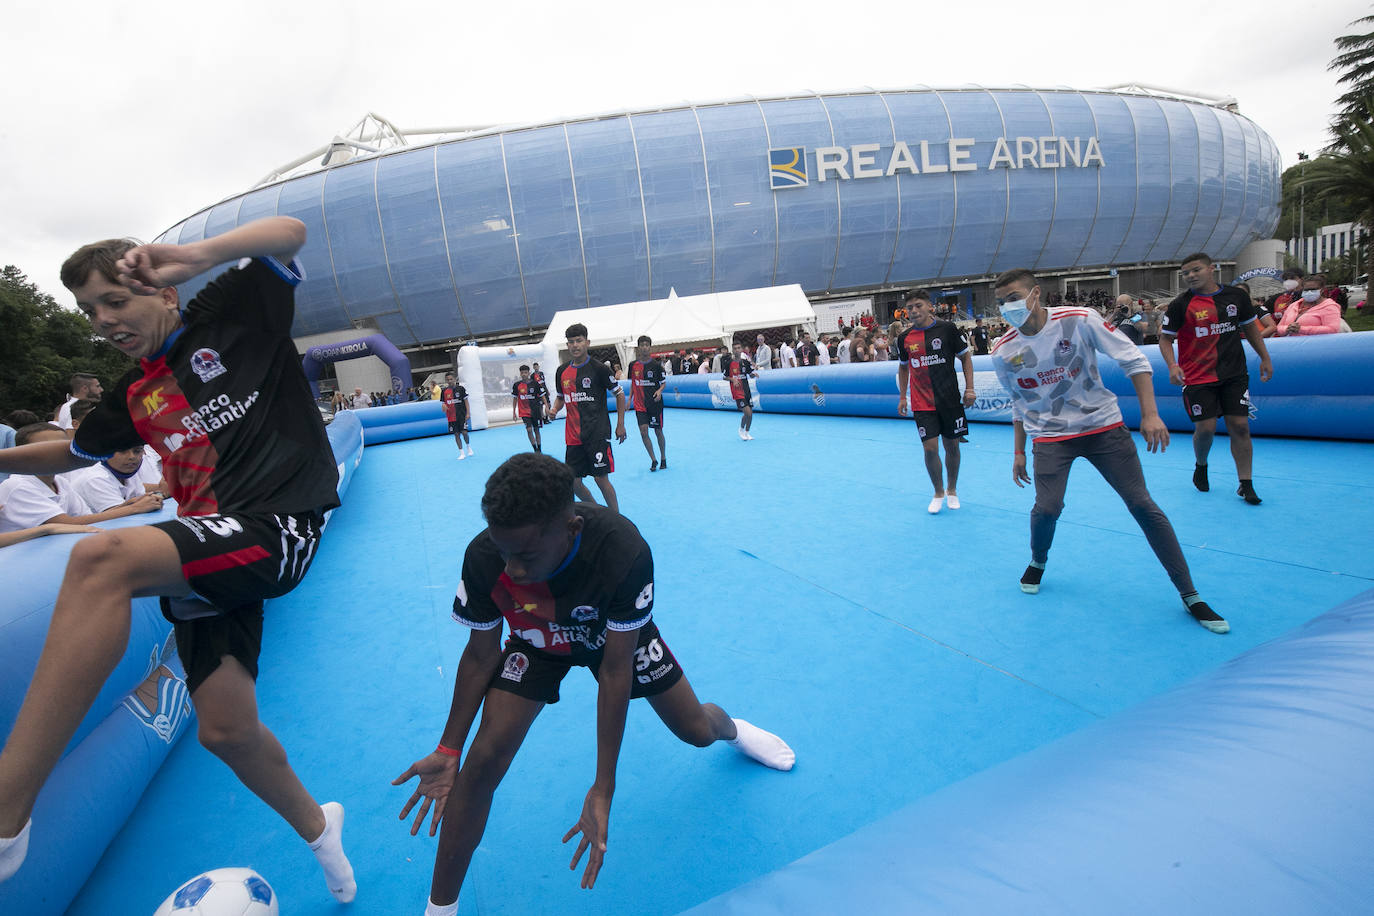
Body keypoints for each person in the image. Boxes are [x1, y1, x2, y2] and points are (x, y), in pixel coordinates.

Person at [0, 217, 356, 901]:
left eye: (115, 300)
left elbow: (291, 230)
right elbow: (72, 452)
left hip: (278, 525)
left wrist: (194, 256)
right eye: (89, 311)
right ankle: (321, 832)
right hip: (210, 545)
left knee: (101, 560)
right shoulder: (136, 391)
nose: (103, 320)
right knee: (225, 730)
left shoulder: (235, 317)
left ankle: (9, 806)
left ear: (163, 293)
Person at [393, 454, 794, 915]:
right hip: (537, 639)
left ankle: (734, 730)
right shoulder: (486, 556)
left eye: (524, 556)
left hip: (612, 640)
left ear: (571, 527)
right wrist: (448, 750)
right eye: (504, 552)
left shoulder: (623, 550)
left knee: (696, 731)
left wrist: (603, 786)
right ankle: (440, 909)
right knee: (480, 763)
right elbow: (481, 654)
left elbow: (614, 671)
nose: (512, 570)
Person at [991, 268, 1229, 635]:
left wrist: (1150, 414)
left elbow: (1135, 360)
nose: (1009, 306)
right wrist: (1018, 451)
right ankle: (1038, 560)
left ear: (1036, 294)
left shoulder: (1080, 319)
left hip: (1103, 427)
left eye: (1014, 297)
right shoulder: (1003, 349)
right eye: (1002, 301)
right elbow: (1018, 403)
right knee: (1047, 508)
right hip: (1051, 436)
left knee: (1142, 504)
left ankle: (1190, 594)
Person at [1159, 252, 1274, 505]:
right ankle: (1201, 464)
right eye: (1186, 273)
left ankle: (1246, 483)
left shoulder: (1236, 297)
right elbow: (1165, 338)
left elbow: (1251, 328)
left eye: (1196, 270)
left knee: (1240, 427)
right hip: (1198, 376)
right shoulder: (1181, 304)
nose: (1191, 275)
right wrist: (1172, 365)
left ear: (1212, 269)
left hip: (1234, 374)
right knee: (1206, 429)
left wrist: (1264, 357)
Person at [895, 291, 975, 514]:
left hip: (949, 401)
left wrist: (970, 388)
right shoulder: (904, 338)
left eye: (918, 305)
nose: (913, 311)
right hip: (922, 404)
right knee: (930, 449)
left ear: (930, 306)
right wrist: (903, 396)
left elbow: (966, 357)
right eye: (909, 307)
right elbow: (903, 367)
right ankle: (938, 492)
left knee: (952, 446)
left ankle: (952, 490)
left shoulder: (947, 330)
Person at [0, 424, 164, 533]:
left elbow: (82, 517)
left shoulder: (60, 482)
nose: (53, 455)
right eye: (43, 449)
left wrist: (129, 505)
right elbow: (65, 523)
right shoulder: (18, 485)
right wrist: (133, 508)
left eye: (61, 448)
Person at [549, 323, 627, 515]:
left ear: (587, 342)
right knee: (574, 483)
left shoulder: (599, 369)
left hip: (597, 433)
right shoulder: (562, 371)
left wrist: (620, 425)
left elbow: (619, 394)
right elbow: (561, 397)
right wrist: (554, 409)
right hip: (573, 437)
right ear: (567, 345)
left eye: (579, 341)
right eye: (571, 342)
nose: (575, 345)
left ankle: (616, 519)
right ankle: (598, 513)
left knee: (601, 479)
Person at [64, 443, 151, 511]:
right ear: (106, 452)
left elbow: (145, 501)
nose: (132, 457)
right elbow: (122, 516)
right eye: (122, 451)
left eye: (137, 451)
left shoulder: (127, 471)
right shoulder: (96, 478)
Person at [628, 336, 667, 471]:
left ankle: (663, 458)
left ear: (650, 347)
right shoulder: (633, 365)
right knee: (643, 432)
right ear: (638, 347)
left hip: (655, 404)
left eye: (646, 345)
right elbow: (633, 383)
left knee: (658, 431)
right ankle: (653, 460)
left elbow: (663, 383)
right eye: (642, 345)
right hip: (639, 405)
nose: (644, 347)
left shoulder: (656, 366)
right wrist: (629, 400)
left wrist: (660, 391)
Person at [1275, 274, 1342, 336]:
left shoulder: (1330, 307)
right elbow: (1279, 328)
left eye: (1313, 289)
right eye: (1306, 290)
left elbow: (1332, 329)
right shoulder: (1293, 305)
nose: (1309, 292)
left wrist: (1301, 329)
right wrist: (1287, 329)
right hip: (1291, 345)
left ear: (1322, 290)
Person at [723, 341, 758, 440]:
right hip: (737, 391)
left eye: (739, 348)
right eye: (735, 348)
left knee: (750, 414)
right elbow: (724, 377)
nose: (737, 350)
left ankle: (747, 432)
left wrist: (753, 374)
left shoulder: (745, 362)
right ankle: (741, 429)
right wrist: (733, 379)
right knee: (748, 413)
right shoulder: (729, 363)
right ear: (732, 350)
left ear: (741, 349)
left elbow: (750, 373)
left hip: (746, 390)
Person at [442, 372, 473, 459]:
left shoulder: (461, 389)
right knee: (456, 434)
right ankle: (462, 453)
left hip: (461, 415)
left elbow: (466, 401)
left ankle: (468, 447)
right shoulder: (444, 391)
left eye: (451, 379)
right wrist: (443, 406)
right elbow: (443, 404)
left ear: (455, 379)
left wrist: (468, 413)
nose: (449, 381)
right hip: (451, 417)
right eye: (447, 380)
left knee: (464, 432)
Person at [511, 365, 542, 454]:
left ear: (529, 373)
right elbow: (515, 398)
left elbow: (541, 396)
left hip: (535, 410)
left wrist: (546, 407)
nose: (524, 374)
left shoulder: (535, 384)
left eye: (525, 372)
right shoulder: (517, 385)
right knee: (529, 430)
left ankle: (539, 449)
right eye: (522, 373)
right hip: (524, 411)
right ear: (520, 374)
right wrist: (514, 412)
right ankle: (535, 449)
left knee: (536, 429)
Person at [529, 362, 549, 428]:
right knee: (540, 406)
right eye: (535, 367)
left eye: (537, 366)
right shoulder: (532, 375)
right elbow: (532, 384)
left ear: (538, 367)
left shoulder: (541, 373)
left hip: (544, 391)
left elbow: (544, 382)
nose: (536, 368)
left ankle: (546, 418)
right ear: (533, 368)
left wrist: (547, 390)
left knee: (548, 404)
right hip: (538, 392)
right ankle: (542, 419)